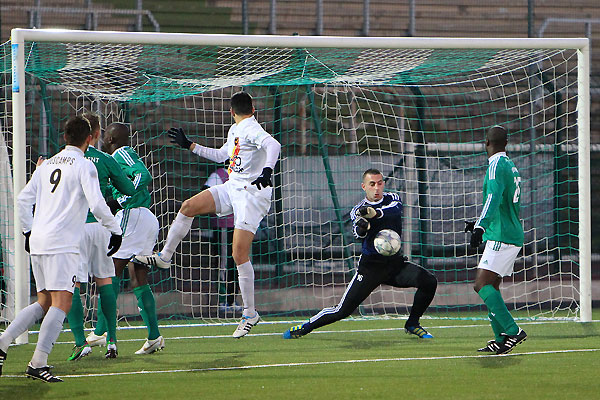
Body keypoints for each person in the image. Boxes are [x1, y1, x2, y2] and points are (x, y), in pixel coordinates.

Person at [136, 91, 281, 338]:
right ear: (253, 108)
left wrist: (267, 170)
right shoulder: (235, 130)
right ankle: (164, 256)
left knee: (238, 253)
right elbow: (221, 155)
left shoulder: (250, 128)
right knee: (188, 207)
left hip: (251, 195)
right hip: (232, 187)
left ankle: (250, 313)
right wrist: (190, 145)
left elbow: (273, 144)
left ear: (231, 110)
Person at [0, 116, 122, 382]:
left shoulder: (46, 165)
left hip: (39, 240)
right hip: (62, 243)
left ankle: (3, 341)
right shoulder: (84, 165)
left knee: (44, 301)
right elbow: (98, 204)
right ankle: (38, 362)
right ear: (88, 139)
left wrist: (28, 231)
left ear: (64, 137)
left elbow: (22, 200)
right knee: (62, 302)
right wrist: (115, 229)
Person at [282, 168, 438, 340]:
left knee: (429, 282)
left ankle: (412, 324)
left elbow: (395, 210)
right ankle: (305, 327)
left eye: (379, 183)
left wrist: (376, 213)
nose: (377, 188)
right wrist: (363, 226)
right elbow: (358, 233)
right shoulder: (358, 210)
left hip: (395, 265)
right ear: (364, 187)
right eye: (372, 184)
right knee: (342, 311)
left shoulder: (392, 198)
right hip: (371, 268)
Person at [85, 122, 164, 355]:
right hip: (145, 218)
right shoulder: (113, 164)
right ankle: (154, 336)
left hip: (133, 214)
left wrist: (122, 200)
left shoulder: (122, 153)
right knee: (137, 275)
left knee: (110, 271)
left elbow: (143, 174)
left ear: (110, 139)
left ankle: (100, 332)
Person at [66, 112, 137, 361]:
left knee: (72, 285)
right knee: (105, 282)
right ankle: (112, 342)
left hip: (74, 228)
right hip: (100, 227)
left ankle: (79, 342)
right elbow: (129, 188)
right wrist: (114, 199)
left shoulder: (62, 160)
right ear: (96, 135)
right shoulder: (105, 159)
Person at [465, 125, 527, 355]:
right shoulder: (509, 165)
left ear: (486, 143)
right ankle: (500, 339)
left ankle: (513, 331)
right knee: (492, 285)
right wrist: (481, 223)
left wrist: (480, 227)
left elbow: (492, 198)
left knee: (480, 284)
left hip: (502, 236)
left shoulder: (495, 166)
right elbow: (504, 204)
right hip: (507, 232)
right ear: (506, 143)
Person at [203, 167, 241, 314]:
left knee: (238, 262)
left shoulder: (241, 174)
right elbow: (205, 191)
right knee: (224, 262)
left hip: (239, 225)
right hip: (224, 226)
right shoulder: (219, 175)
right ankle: (224, 299)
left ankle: (232, 299)